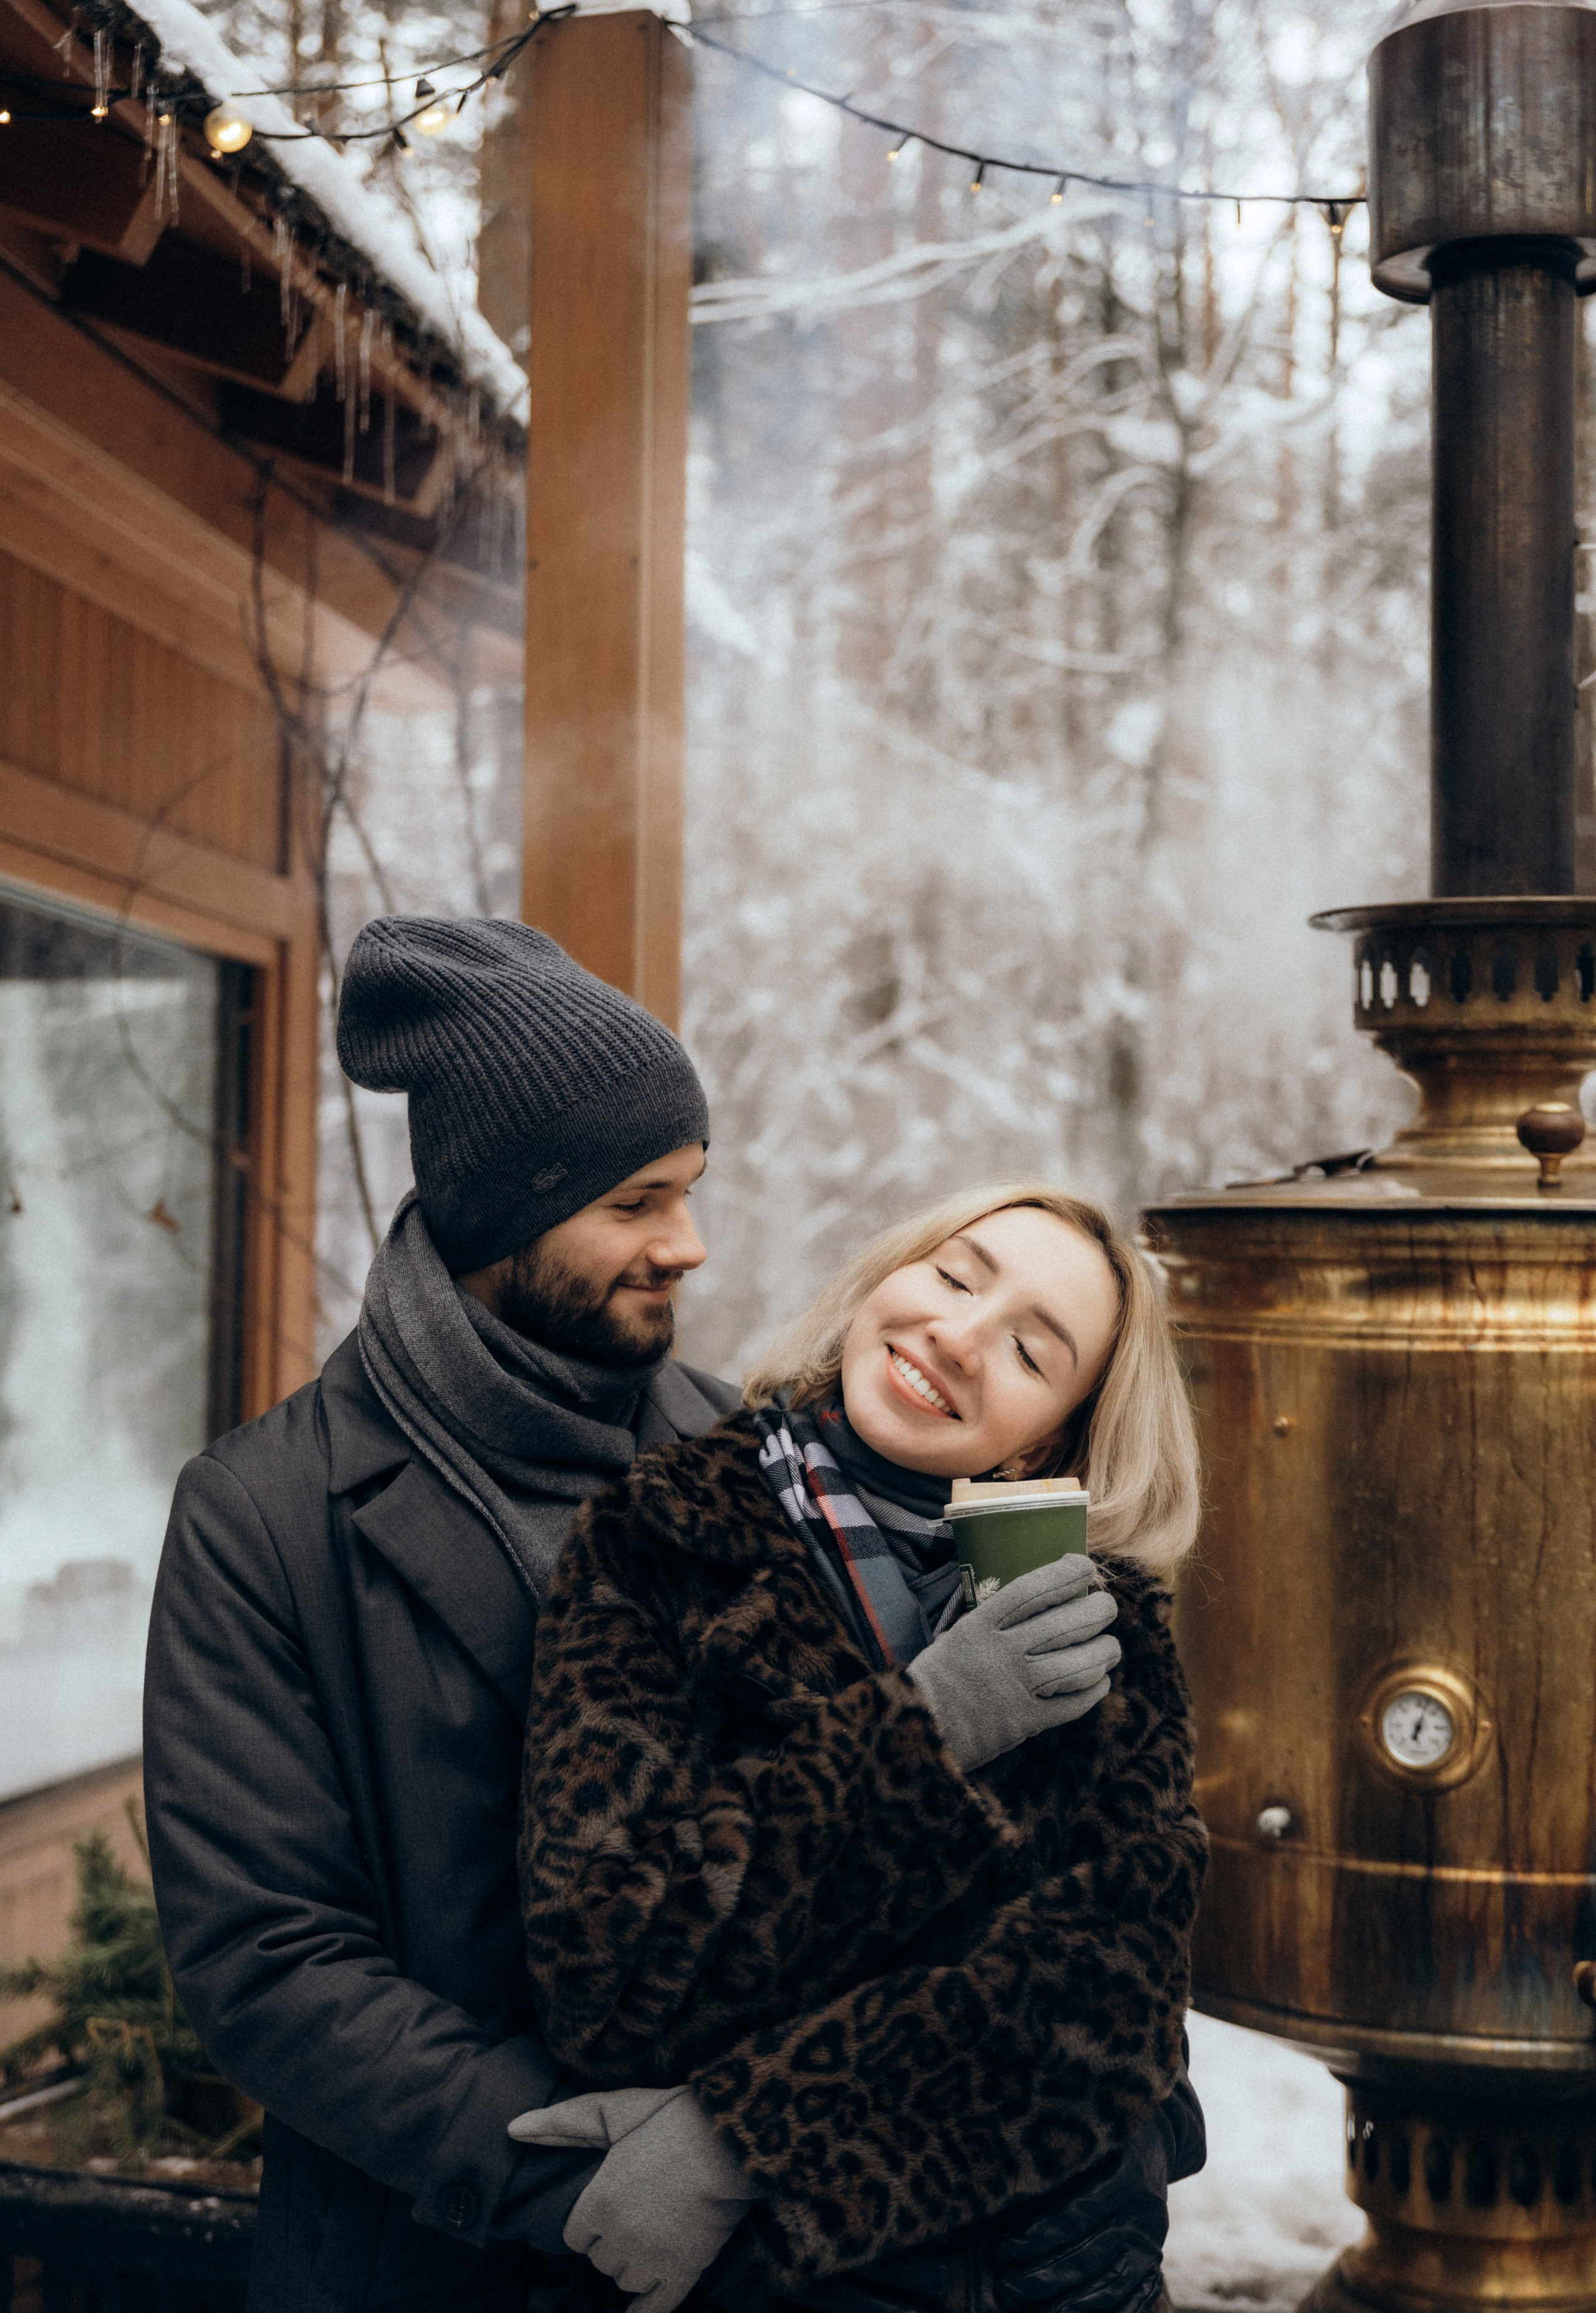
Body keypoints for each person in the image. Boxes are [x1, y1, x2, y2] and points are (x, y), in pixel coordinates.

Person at [142, 916, 744, 2312]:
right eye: (635, 1203)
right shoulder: (265, 1515)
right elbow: (266, 1958)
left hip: (742, 2252)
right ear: (502, 1217)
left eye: (692, 1190)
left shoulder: (727, 1444)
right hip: (428, 2259)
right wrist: (589, 2177)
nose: (690, 1245)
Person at [511, 1184, 1209, 2313]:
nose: (960, 1335)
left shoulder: (1092, 1623)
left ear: (1054, 1439)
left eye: (1032, 1351)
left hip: (1050, 2282)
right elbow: (610, 1970)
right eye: (954, 1276)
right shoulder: (662, 1543)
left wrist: (746, 2141)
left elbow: (1109, 1998)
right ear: (888, 1274)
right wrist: (927, 1732)